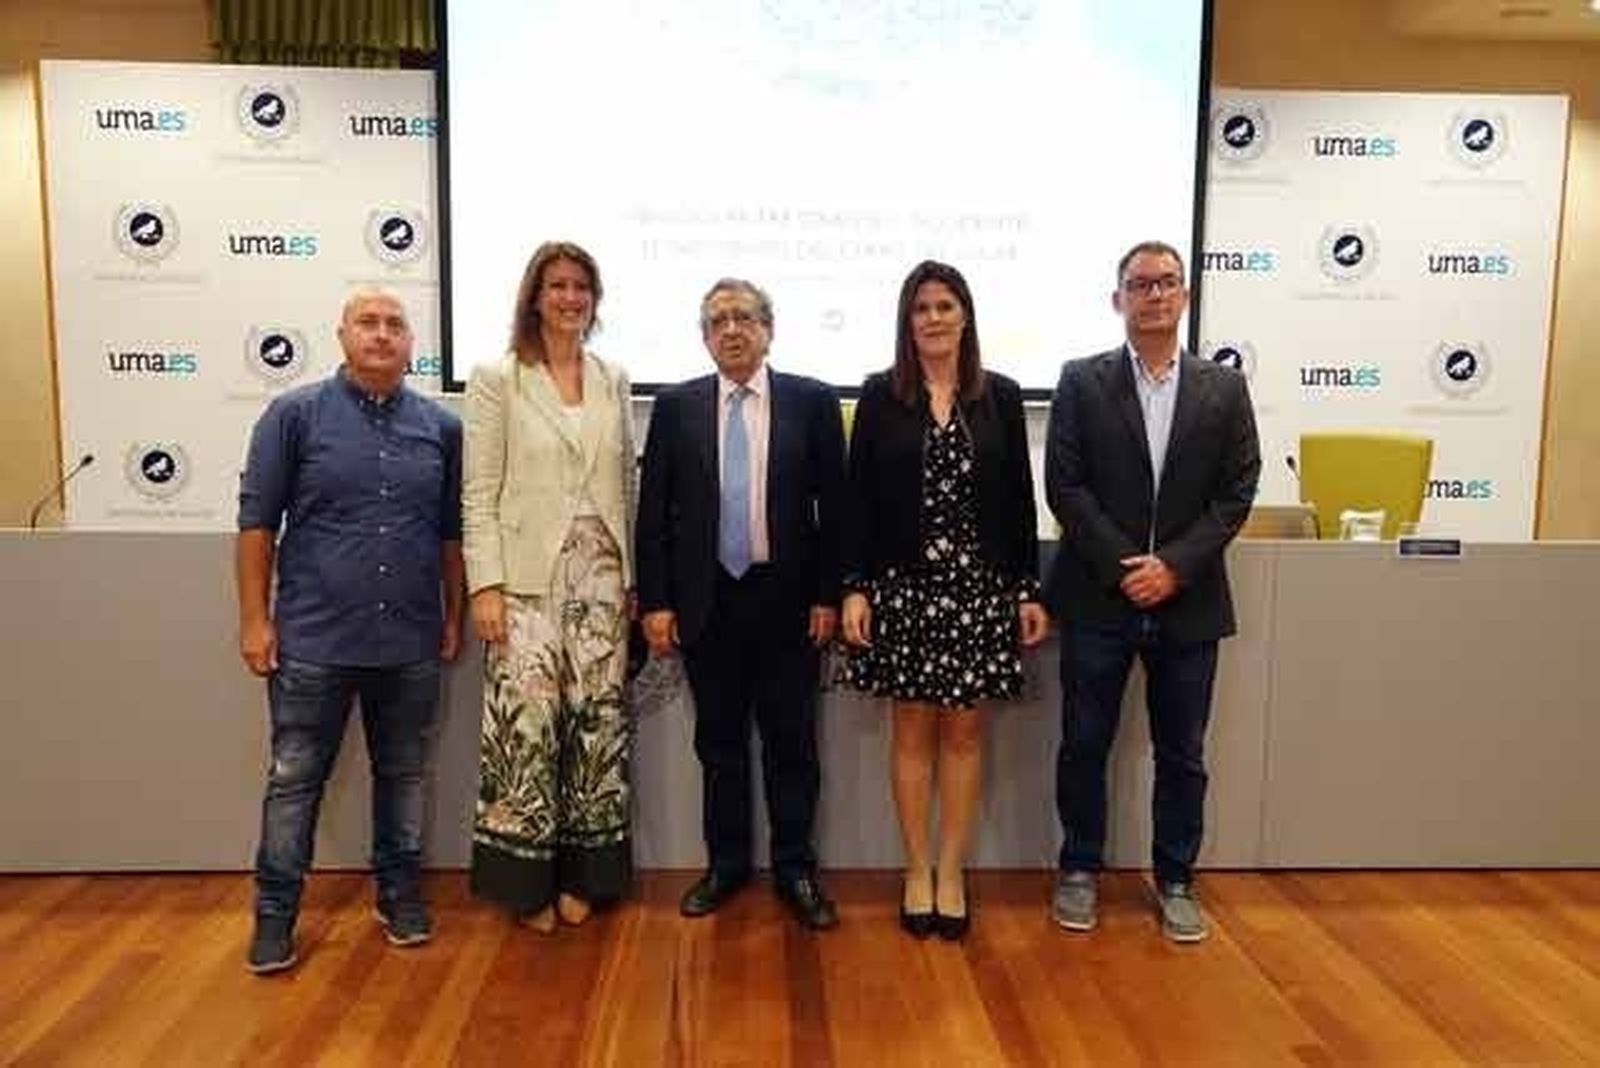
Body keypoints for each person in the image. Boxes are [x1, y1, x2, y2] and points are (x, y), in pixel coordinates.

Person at [237, 287, 464, 974]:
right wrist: (254, 619)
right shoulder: (293, 416)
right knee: (294, 780)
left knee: (402, 776)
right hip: (313, 641)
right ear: (341, 335)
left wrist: (452, 616)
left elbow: (452, 536)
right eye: (368, 322)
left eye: (396, 325)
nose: (382, 334)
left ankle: (398, 894)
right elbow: (256, 527)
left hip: (411, 642)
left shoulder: (441, 429)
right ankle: (275, 916)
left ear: (411, 344)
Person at [1044, 240, 1260, 942]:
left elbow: (1237, 491)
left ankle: (1175, 879)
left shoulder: (1223, 388)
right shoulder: (1081, 380)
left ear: (1186, 296)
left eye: (1168, 282)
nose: (1155, 294)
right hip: (1099, 597)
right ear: (1119, 300)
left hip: (1190, 601)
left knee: (1183, 753)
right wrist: (1125, 566)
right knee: (1083, 742)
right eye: (1141, 284)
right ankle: (1079, 868)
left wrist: (1174, 566)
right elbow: (1066, 488)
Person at [840, 260, 1049, 941]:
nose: (933, 317)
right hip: (903, 590)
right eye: (921, 307)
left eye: (945, 305)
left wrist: (1025, 588)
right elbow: (859, 502)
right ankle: (916, 868)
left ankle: (952, 871)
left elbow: (1020, 498)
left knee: (962, 732)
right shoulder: (879, 396)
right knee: (911, 731)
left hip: (980, 592)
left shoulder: (1002, 396)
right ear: (908, 321)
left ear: (966, 316)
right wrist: (855, 587)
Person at [635, 277, 846, 930]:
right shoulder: (676, 407)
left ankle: (795, 869)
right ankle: (725, 865)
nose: (732, 329)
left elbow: (834, 510)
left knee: (792, 744)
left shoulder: (812, 402)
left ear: (768, 330)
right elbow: (654, 514)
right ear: (704, 337)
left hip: (787, 602)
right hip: (706, 603)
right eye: (718, 320)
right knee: (719, 744)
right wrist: (658, 601)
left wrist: (827, 595)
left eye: (745, 318)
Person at [462, 241, 636, 933]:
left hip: (602, 576)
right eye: (557, 285)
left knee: (596, 730)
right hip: (525, 581)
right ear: (534, 296)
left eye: (581, 286)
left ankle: (586, 878)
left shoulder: (613, 377)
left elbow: (625, 480)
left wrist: (631, 581)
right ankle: (525, 885)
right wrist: (486, 585)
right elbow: (477, 492)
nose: (569, 297)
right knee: (527, 731)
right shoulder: (495, 378)